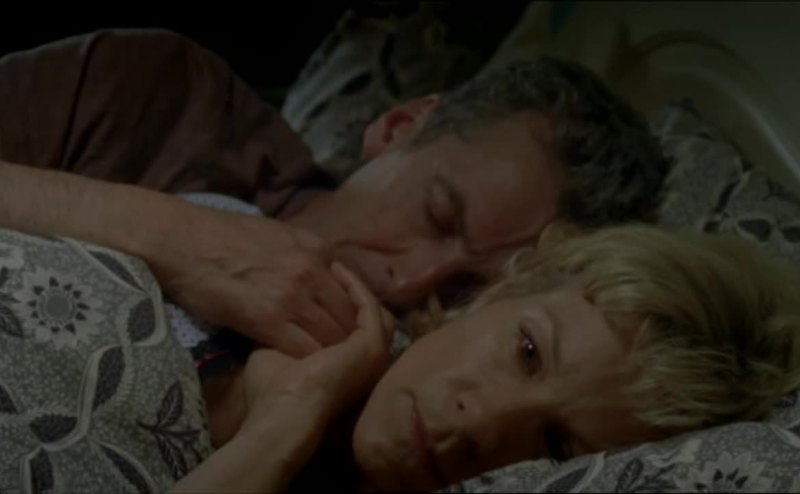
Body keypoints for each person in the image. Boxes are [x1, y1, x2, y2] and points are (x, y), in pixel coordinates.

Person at [0, 30, 669, 358]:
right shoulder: (165, 94)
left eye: (466, 289)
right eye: (437, 214)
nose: (411, 282)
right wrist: (172, 237)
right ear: (398, 126)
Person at [171, 224, 800, 492]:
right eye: (527, 352)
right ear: (504, 290)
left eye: (555, 445)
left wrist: (280, 429)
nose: (482, 422)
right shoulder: (271, 274)